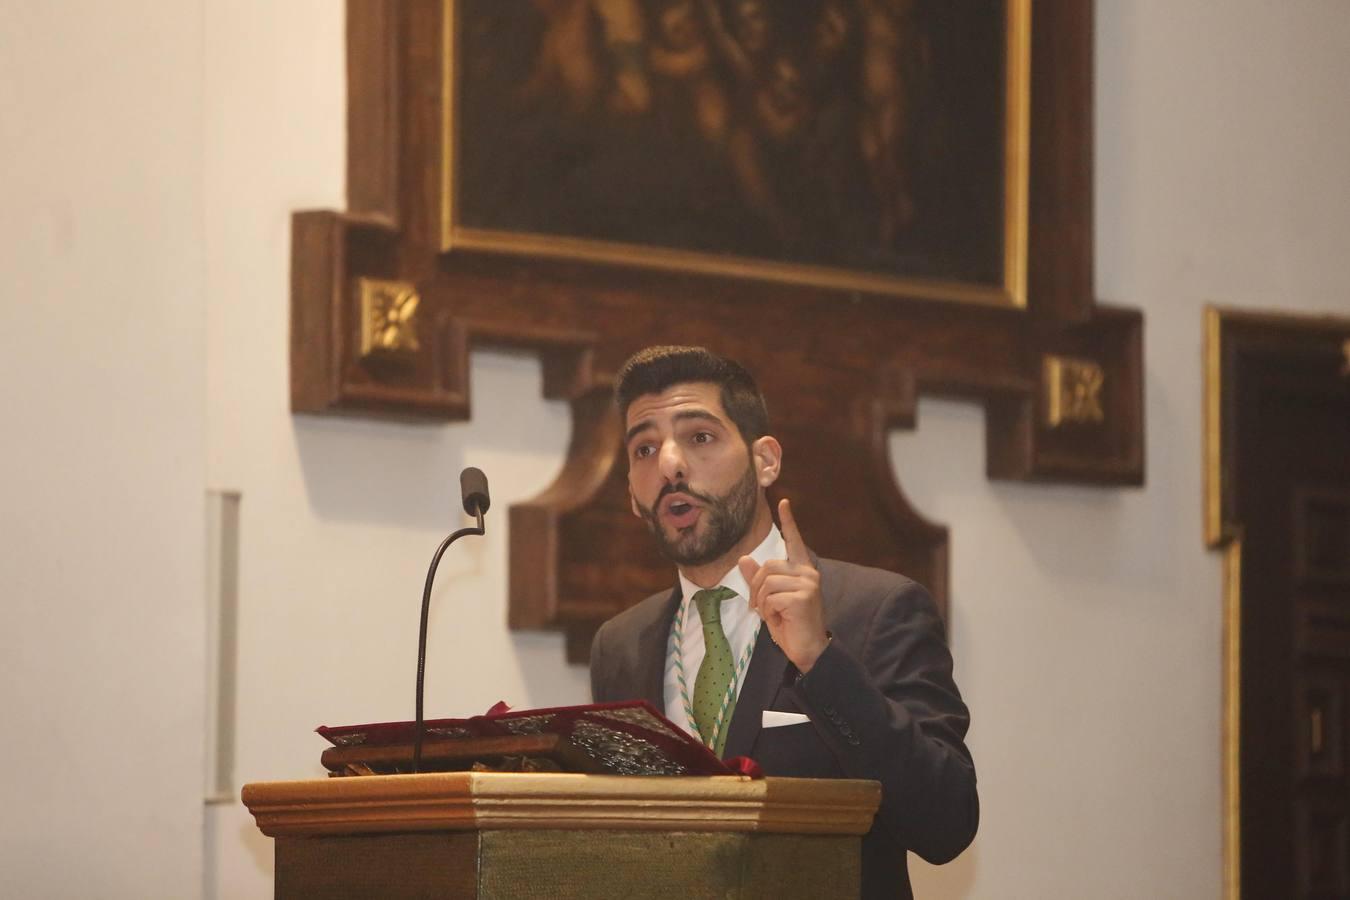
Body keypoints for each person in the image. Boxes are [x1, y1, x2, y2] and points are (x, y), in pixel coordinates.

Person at [590, 345, 977, 900]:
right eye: (645, 448)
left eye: (699, 437)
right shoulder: (620, 645)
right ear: (632, 493)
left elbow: (947, 824)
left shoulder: (876, 609)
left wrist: (821, 661)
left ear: (765, 461)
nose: (669, 465)